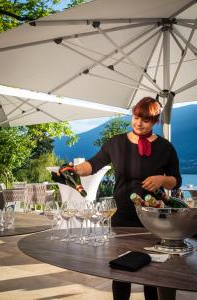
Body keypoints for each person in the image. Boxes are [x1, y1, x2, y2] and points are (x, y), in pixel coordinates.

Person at [73, 97, 182, 300]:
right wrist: (76, 169)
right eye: (136, 117)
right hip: (121, 217)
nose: (139, 123)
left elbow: (176, 180)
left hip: (154, 219)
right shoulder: (116, 143)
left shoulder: (166, 148)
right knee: (121, 272)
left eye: (146, 120)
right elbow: (93, 164)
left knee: (153, 273)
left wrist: (161, 179)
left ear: (155, 121)